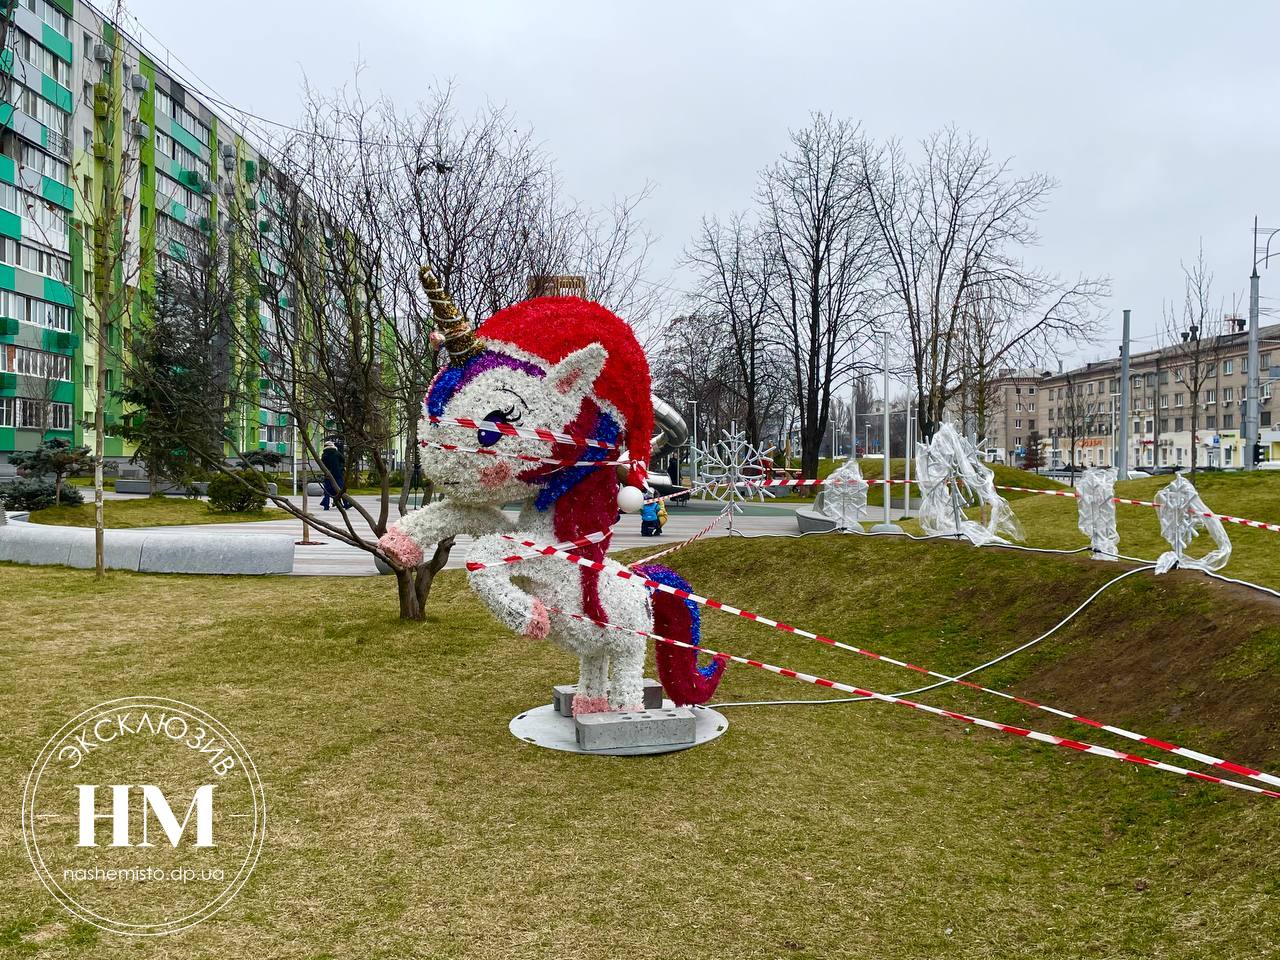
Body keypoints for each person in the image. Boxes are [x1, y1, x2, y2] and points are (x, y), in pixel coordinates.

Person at [320, 440, 345, 511]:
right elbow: (343, 460)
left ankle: (326, 505)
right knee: (340, 489)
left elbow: (322, 464)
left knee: (327, 491)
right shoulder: (337, 453)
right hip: (338, 474)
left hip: (328, 474)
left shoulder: (324, 455)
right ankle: (345, 503)